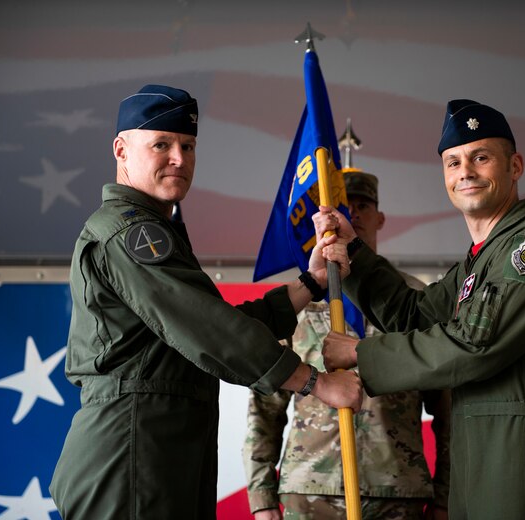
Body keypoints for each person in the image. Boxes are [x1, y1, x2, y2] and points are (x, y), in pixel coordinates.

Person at [49, 84, 363, 520]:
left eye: (188, 145)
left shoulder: (155, 229)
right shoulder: (131, 234)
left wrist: (309, 284)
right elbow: (212, 332)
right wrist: (317, 383)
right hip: (134, 452)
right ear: (121, 150)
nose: (179, 158)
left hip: (159, 449)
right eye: (161, 144)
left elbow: (214, 323)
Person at [317, 99, 525, 519]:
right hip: (475, 454)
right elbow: (415, 316)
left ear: (514, 166)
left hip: (520, 452)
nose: (465, 172)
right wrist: (353, 252)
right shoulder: (479, 260)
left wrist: (359, 353)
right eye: (453, 162)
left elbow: (478, 344)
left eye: (481, 158)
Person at [243, 170, 451, 519]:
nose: (350, 215)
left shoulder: (414, 300)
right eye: (340, 206)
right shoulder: (300, 299)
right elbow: (265, 407)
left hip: (397, 491)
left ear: (380, 217)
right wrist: (262, 499)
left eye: (362, 205)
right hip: (310, 492)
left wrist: (446, 498)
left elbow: (449, 411)